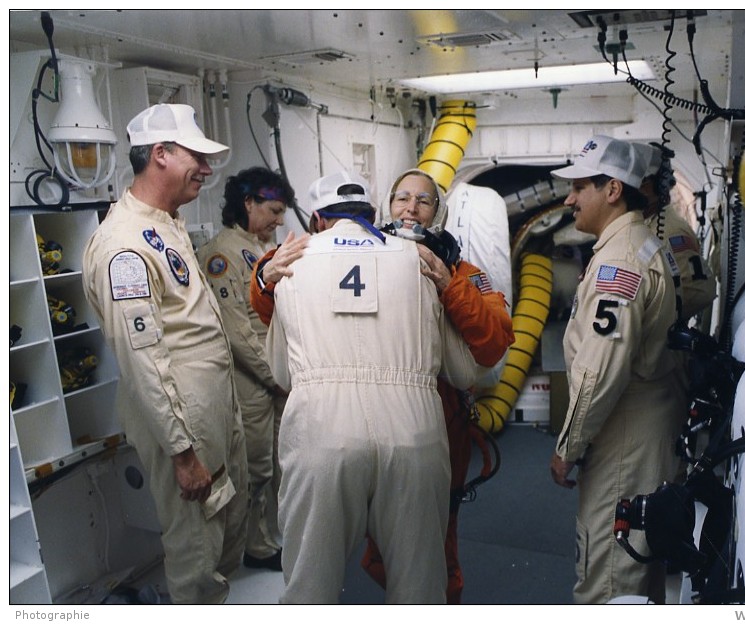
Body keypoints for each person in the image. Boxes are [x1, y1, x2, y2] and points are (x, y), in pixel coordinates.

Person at [249, 168, 514, 603]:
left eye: (424, 201)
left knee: (310, 584)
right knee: (419, 583)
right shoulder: (419, 267)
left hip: (327, 430)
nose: (411, 208)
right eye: (403, 198)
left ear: (317, 219)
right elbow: (468, 370)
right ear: (378, 210)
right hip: (417, 430)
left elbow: (493, 339)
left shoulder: (453, 270)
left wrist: (452, 285)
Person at [82, 103, 249, 604]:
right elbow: (143, 358)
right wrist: (181, 452)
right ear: (160, 154)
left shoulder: (166, 224)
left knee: (221, 533)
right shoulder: (124, 246)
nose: (206, 167)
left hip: (210, 408)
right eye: (196, 156)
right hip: (182, 423)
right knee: (195, 549)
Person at [548, 135, 685, 604]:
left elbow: (599, 369)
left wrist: (569, 444)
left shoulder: (619, 262)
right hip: (646, 423)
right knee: (637, 570)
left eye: (579, 187)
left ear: (612, 190)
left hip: (624, 433)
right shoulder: (642, 244)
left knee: (608, 577)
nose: (569, 199)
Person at [196, 167, 296, 572]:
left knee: (277, 462)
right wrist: (276, 378)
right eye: (273, 210)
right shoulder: (222, 256)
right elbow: (238, 331)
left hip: (273, 377)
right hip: (252, 380)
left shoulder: (260, 250)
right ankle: (254, 546)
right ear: (248, 203)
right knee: (256, 468)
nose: (280, 219)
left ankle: (269, 536)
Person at [635, 142, 716, 323]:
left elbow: (699, 292)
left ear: (648, 187)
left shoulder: (668, 230)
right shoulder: (649, 225)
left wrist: (654, 322)